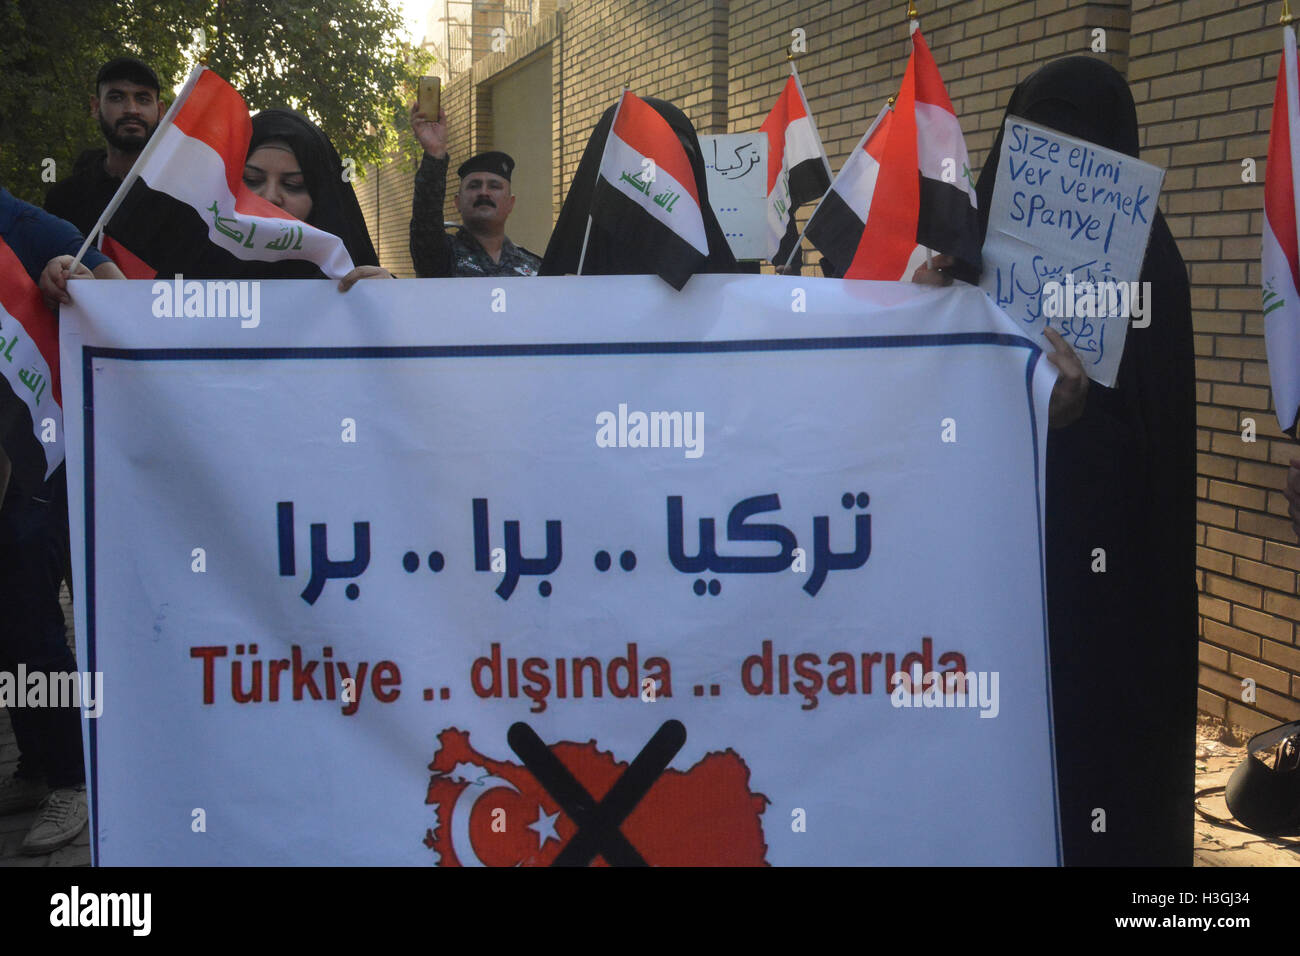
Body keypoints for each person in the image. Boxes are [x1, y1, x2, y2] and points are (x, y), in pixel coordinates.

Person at [959, 57, 1197, 865]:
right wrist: (932, 315)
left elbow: (1156, 467)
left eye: (1081, 150)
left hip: (1104, 608)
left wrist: (1078, 423)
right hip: (992, 596)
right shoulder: (967, 267)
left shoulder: (1153, 274)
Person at [0, 185, 123, 856]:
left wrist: (72, 277)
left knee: (31, 622)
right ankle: (37, 764)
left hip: (37, 467)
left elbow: (111, 279)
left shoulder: (20, 220)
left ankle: (74, 778)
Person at [541, 97, 739, 278]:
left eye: (678, 162)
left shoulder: (719, 275)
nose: (664, 180)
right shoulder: (571, 267)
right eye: (649, 163)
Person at [244, 109, 391, 289]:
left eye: (293, 184)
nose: (269, 197)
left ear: (321, 197)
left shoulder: (357, 282)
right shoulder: (201, 263)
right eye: (251, 180)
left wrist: (392, 299)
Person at [408, 105, 541, 278]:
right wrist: (434, 153)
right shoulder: (440, 255)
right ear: (457, 202)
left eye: (494, 186)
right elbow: (425, 217)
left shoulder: (535, 268)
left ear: (511, 203)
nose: (484, 192)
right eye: (474, 185)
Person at [44, 57, 165, 237]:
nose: (132, 109)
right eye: (116, 98)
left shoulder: (183, 197)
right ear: (95, 107)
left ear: (161, 111)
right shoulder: (64, 199)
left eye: (143, 99)